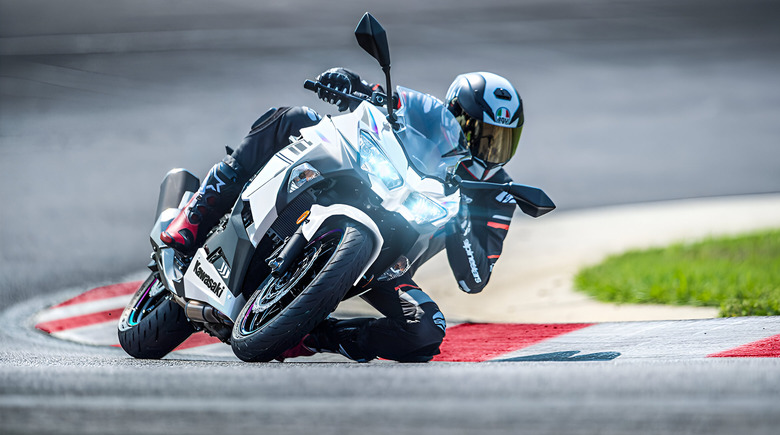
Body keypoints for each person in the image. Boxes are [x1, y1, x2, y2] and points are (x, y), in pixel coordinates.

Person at [160, 68, 525, 362]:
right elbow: (385, 98)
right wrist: (350, 82)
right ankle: (196, 212)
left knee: (427, 331)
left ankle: (316, 334)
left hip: (388, 265)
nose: (488, 150)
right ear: (455, 116)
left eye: (501, 141)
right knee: (294, 118)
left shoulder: (498, 196)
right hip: (369, 192)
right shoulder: (430, 118)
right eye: (480, 135)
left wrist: (463, 218)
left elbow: (474, 278)